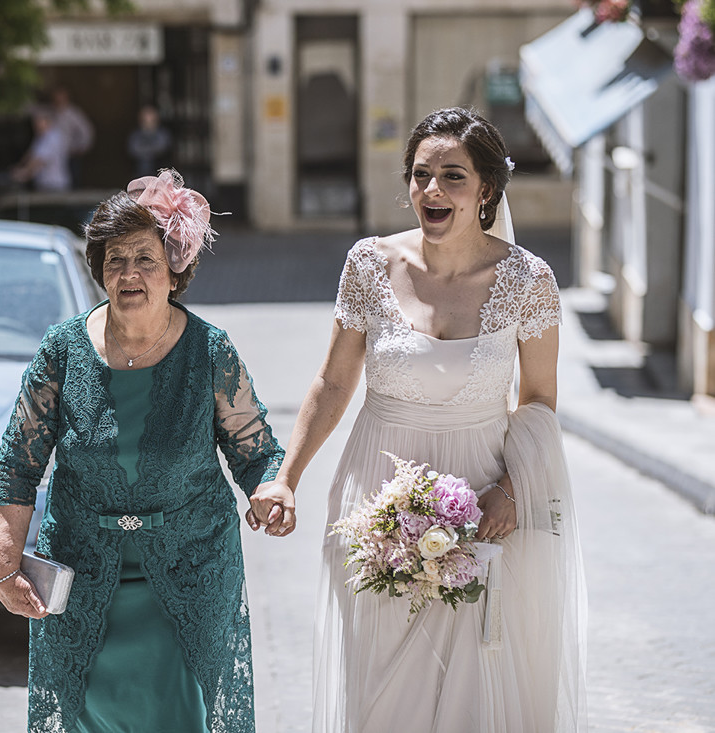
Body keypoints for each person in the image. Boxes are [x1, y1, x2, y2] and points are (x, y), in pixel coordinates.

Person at [249, 107, 587, 732]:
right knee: (382, 687)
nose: (433, 189)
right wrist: (285, 478)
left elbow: (539, 400)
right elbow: (333, 382)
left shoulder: (528, 280)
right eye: (421, 174)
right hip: (376, 500)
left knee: (474, 687)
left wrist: (512, 489)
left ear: (486, 190)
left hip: (483, 506)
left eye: (453, 176)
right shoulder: (368, 265)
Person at [0, 168, 286, 733]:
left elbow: (256, 452)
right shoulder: (61, 350)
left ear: (174, 271)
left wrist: (271, 489)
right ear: (100, 270)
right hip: (80, 577)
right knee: (84, 714)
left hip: (189, 572)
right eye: (116, 259)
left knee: (180, 715)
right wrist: (5, 561)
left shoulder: (210, 351)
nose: (129, 273)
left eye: (145, 259)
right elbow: (18, 462)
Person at [12, 109, 70, 192]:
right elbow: (30, 155)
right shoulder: (40, 137)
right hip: (43, 182)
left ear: (48, 121)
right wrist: (19, 166)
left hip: (53, 184)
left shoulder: (52, 138)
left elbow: (39, 160)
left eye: (39, 121)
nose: (35, 125)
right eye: (34, 122)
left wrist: (24, 173)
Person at [51, 87, 94, 187]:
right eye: (56, 97)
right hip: (55, 153)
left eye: (61, 97)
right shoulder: (51, 112)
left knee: (73, 179)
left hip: (70, 152)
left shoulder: (73, 113)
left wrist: (82, 147)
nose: (59, 100)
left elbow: (86, 131)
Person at [127, 104, 172, 178]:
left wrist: (145, 150)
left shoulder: (163, 134)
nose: (148, 121)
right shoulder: (135, 135)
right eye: (145, 119)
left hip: (159, 172)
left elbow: (162, 148)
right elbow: (133, 149)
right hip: (139, 173)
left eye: (151, 119)